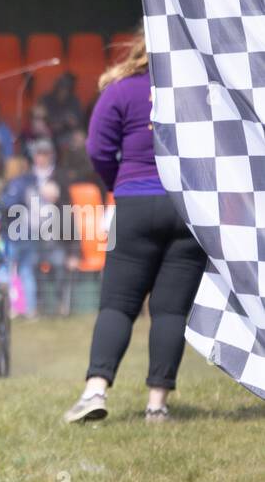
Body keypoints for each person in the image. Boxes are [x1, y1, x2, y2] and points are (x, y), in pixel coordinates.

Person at [63, 30, 208, 425]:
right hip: (187, 207)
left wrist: (119, 184)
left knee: (118, 304)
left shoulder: (120, 89)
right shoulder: (201, 89)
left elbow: (97, 148)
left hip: (135, 204)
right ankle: (157, 405)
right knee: (170, 310)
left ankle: (95, 390)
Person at [0, 138, 60, 319]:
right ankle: (30, 309)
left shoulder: (17, 183)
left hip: (16, 232)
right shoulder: (32, 181)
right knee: (26, 271)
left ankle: (7, 308)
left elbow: (9, 205)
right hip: (29, 231)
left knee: (7, 269)